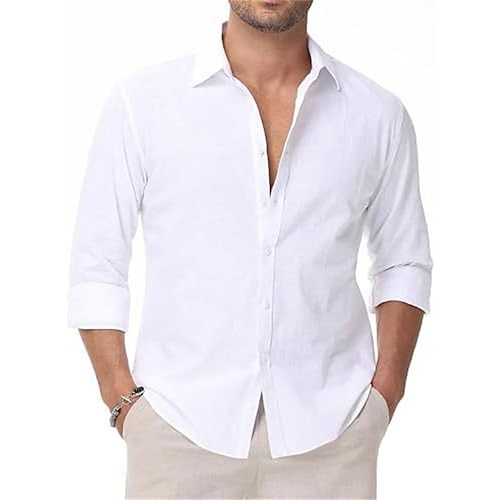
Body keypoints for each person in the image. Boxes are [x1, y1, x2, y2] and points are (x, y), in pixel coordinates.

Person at [67, 1, 433, 498]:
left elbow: (403, 261)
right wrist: (124, 403)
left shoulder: (377, 114)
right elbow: (97, 263)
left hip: (332, 438)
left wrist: (383, 397)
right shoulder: (144, 103)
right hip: (177, 431)